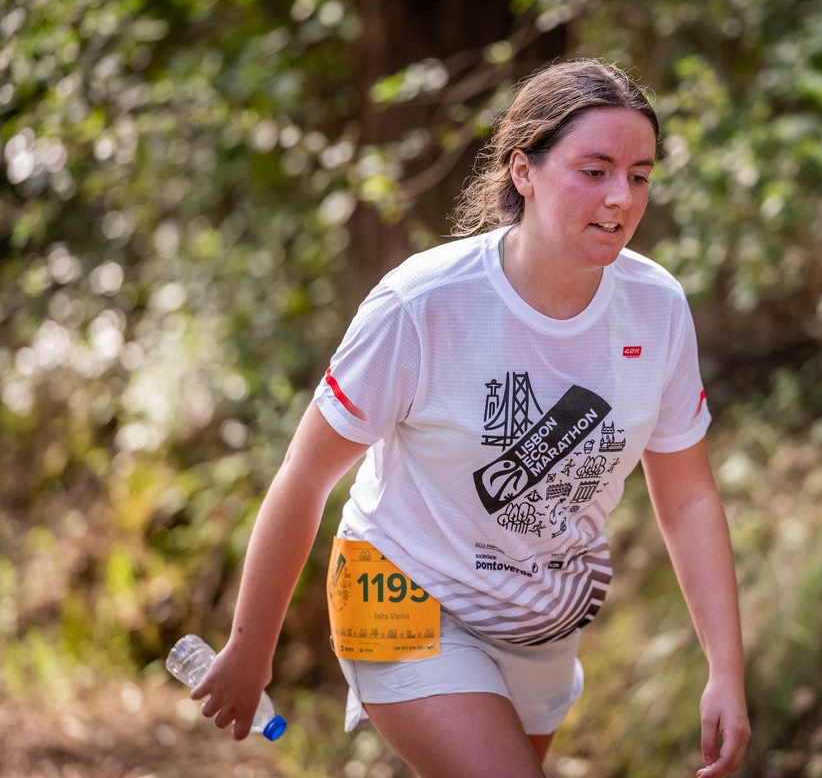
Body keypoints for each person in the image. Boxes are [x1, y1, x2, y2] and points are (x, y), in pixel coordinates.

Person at [192, 58, 750, 778]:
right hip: (400, 592)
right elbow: (305, 476)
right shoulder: (423, 303)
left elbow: (689, 495)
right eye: (594, 171)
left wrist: (725, 670)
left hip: (542, 617)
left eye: (639, 175)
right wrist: (251, 648)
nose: (621, 196)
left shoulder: (656, 307)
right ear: (524, 171)